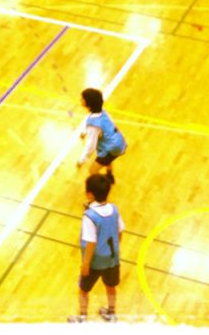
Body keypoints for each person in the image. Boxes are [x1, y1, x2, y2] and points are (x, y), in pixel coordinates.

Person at [68, 173, 123, 323]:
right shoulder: (114, 209)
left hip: (95, 261)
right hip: (113, 259)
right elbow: (120, 231)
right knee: (110, 286)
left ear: (90, 194)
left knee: (83, 290)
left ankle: (82, 318)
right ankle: (111, 313)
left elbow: (91, 242)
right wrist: (114, 250)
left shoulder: (90, 216)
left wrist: (86, 264)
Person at [76, 87, 127, 183]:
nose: (80, 100)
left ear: (89, 103)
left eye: (83, 99)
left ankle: (104, 184)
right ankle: (110, 176)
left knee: (92, 171)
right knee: (107, 159)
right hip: (119, 141)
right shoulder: (102, 111)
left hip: (112, 147)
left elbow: (91, 146)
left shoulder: (93, 125)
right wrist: (84, 132)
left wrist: (82, 160)